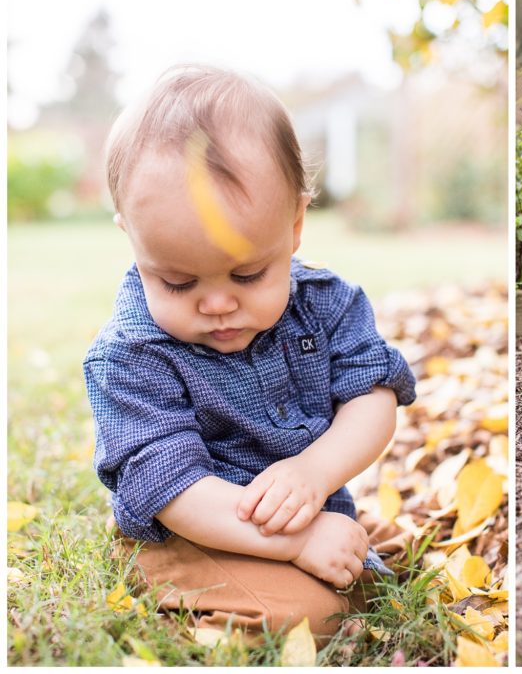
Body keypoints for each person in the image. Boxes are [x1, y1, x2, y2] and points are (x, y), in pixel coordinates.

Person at [83, 65, 417, 647]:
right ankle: (161, 576)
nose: (217, 304)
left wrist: (315, 473)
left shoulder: (327, 304)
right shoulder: (130, 355)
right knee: (317, 618)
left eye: (248, 274)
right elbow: (174, 489)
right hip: (192, 529)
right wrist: (298, 540)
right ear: (132, 238)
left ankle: (330, 548)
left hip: (294, 508)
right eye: (178, 283)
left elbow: (374, 395)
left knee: (370, 567)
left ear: (294, 225)